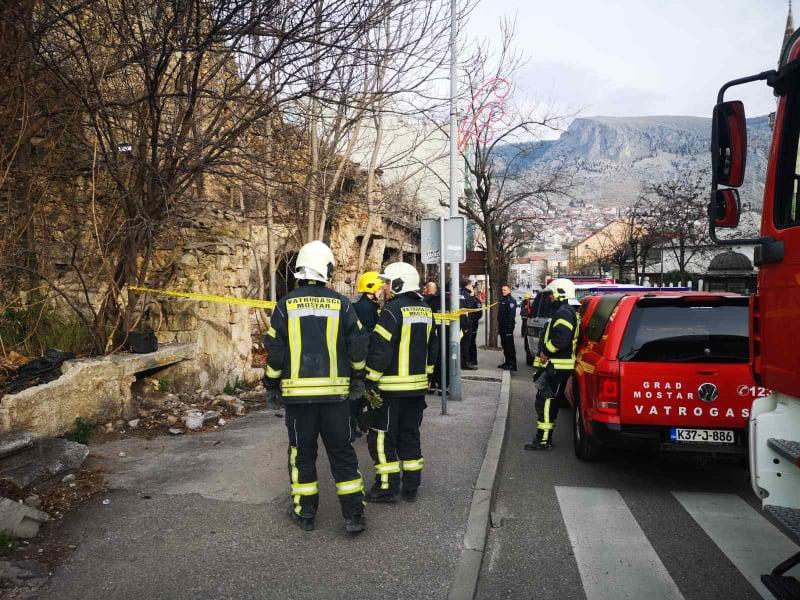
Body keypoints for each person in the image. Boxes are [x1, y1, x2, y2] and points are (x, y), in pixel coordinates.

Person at [263, 240, 369, 533]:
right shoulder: (342, 304)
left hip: (298, 401)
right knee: (342, 453)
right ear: (326, 269)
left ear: (300, 270)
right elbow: (358, 345)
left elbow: (276, 351)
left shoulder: (285, 306)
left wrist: (271, 385)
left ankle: (306, 513)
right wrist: (358, 379)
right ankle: (353, 516)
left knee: (302, 454)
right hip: (336, 398)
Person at [364, 262, 438, 503]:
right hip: (417, 390)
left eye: (387, 282)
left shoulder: (392, 311)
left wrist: (369, 380)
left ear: (397, 284)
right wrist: (426, 376)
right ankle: (411, 486)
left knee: (383, 437)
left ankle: (387, 487)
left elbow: (380, 350)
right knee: (410, 434)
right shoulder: (426, 309)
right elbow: (433, 348)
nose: (383, 287)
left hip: (390, 390)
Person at [524, 279, 578, 451]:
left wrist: (545, 352)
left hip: (556, 366)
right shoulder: (566, 311)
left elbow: (561, 339)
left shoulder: (563, 313)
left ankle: (543, 440)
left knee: (546, 401)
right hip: (558, 366)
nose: (550, 298)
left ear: (560, 293)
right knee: (548, 401)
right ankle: (545, 438)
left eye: (552, 294)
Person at [350, 271, 385, 439]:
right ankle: (353, 423)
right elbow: (367, 333)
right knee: (359, 394)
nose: (382, 291)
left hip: (362, 353)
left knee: (361, 393)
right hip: (364, 354)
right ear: (371, 288)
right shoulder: (366, 308)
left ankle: (355, 422)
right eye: (380, 288)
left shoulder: (367, 305)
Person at [459, 277, 480, 370]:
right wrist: (472, 296)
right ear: (468, 285)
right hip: (467, 323)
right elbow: (471, 308)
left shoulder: (462, 293)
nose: (473, 286)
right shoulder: (466, 294)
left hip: (465, 323)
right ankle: (465, 362)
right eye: (471, 284)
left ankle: (466, 361)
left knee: (465, 343)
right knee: (466, 344)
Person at [497, 285, 518, 371]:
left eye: (505, 290)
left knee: (509, 346)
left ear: (509, 290)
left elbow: (511, 316)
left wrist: (508, 326)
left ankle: (512, 364)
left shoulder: (511, 300)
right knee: (504, 345)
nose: (503, 291)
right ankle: (507, 362)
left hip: (507, 327)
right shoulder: (503, 299)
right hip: (502, 326)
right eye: (502, 290)